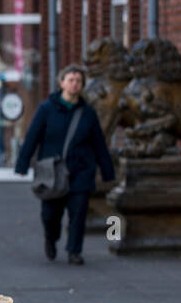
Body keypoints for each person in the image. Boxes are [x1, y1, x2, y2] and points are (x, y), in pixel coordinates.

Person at [14, 63, 116, 265]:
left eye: (78, 81)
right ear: (61, 83)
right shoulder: (46, 109)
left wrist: (107, 172)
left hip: (81, 171)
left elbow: (99, 144)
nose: (75, 84)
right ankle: (51, 238)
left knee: (78, 213)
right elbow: (32, 137)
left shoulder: (87, 113)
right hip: (52, 172)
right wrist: (22, 164)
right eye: (71, 80)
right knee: (50, 214)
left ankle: (74, 251)